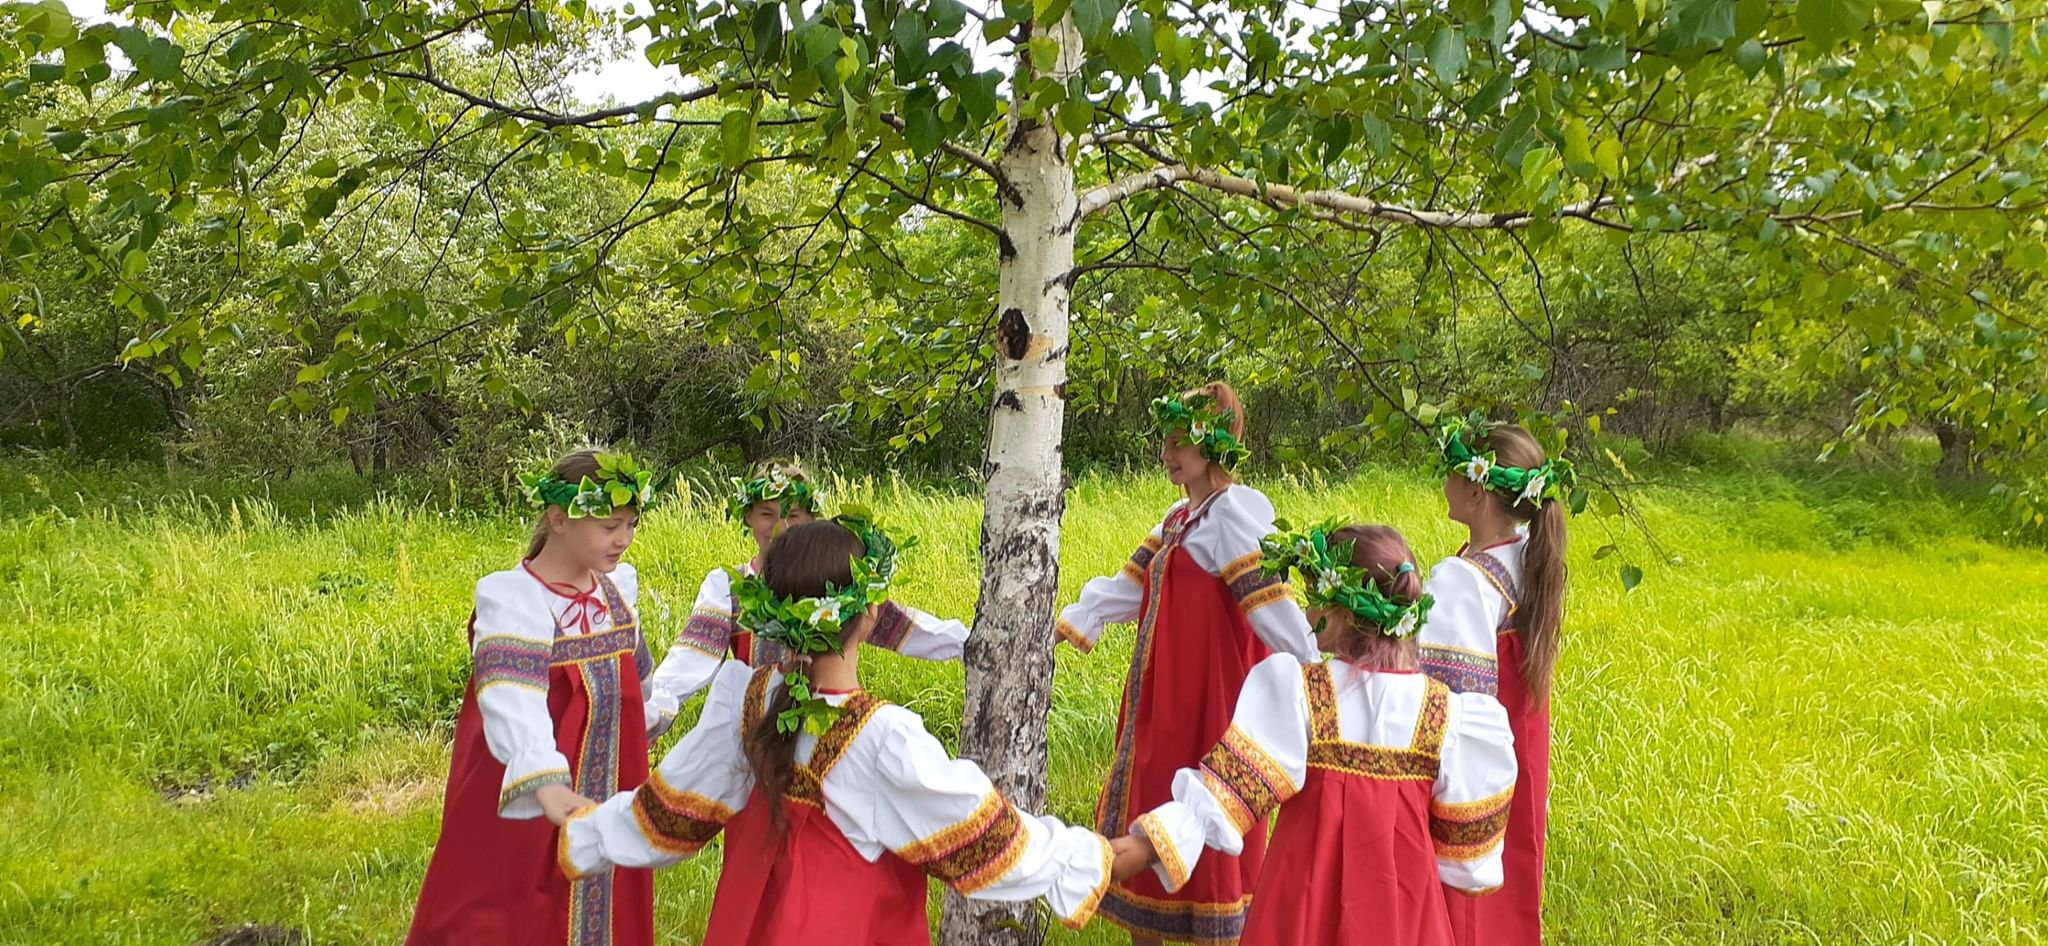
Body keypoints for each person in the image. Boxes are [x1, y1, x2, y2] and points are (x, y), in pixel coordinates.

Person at [561, 518, 1150, 944]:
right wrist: (1110, 855)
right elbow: (992, 845)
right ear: (869, 614)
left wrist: (582, 832)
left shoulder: (748, 697)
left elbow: (667, 815)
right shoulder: (880, 739)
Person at [1122, 520, 1516, 945]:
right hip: (1403, 913)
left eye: (1314, 599)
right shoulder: (1449, 715)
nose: (1307, 614)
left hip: (1302, 905)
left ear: (1342, 612)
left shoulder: (1301, 694)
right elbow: (1469, 865)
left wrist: (1147, 845)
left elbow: (1228, 795)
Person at [1056, 383, 1316, 946]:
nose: (1168, 453)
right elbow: (1131, 589)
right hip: (1162, 704)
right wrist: (1071, 621)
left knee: (1208, 820)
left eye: (1182, 443)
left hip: (1212, 705)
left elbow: (1275, 612)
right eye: (1166, 440)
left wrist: (1316, 678)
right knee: (1150, 823)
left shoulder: (1236, 518)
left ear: (1216, 445)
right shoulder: (1179, 517)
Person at [407, 449, 660, 946]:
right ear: (558, 519)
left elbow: (638, 680)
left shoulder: (615, 592)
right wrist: (542, 780)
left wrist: (657, 711)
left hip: (608, 783)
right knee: (507, 904)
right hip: (524, 789)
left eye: (631, 525)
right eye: (610, 525)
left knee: (605, 897)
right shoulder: (515, 599)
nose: (624, 539)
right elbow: (511, 692)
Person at [643, 462, 967, 736]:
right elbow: (691, 658)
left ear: (811, 519)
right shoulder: (729, 586)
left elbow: (902, 627)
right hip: (757, 728)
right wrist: (649, 712)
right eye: (767, 514)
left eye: (793, 515)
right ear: (748, 518)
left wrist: (970, 643)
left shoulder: (830, 579)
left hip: (822, 725)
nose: (780, 526)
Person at [1418, 418, 1573, 946]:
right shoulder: (1527, 552)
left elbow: (1446, 705)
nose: (1444, 484)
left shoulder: (1464, 581)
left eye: (1450, 472)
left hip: (1476, 766)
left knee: (1464, 901)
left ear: (1477, 487)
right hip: (1518, 753)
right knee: (1511, 873)